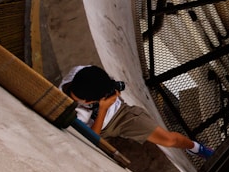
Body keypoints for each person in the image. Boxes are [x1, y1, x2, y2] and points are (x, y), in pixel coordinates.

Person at [60, 65, 214, 159]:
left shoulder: (80, 72)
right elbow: (91, 138)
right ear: (89, 102)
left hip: (122, 116)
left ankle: (194, 148)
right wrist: (103, 109)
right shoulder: (76, 112)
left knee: (169, 140)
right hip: (99, 126)